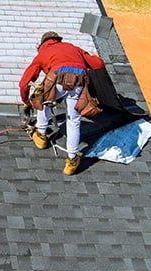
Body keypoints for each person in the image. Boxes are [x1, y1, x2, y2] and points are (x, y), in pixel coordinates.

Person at [19, 31, 105, 175]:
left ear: (42, 44)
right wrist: (93, 57)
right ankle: (72, 160)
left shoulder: (43, 54)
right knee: (74, 120)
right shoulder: (73, 47)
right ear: (58, 40)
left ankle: (41, 135)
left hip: (57, 80)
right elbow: (98, 64)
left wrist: (26, 101)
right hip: (79, 82)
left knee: (42, 99)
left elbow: (23, 84)